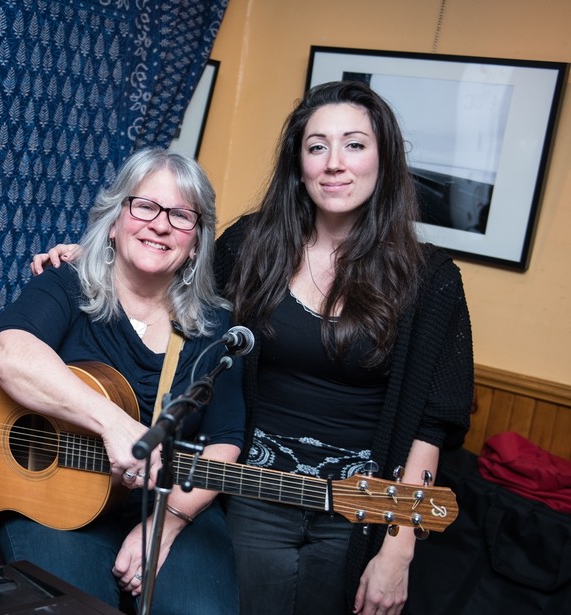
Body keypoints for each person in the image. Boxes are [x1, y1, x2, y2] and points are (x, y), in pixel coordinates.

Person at [34, 81, 474, 615]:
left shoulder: (431, 280)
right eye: (317, 147)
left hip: (360, 508)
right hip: (249, 493)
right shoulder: (250, 245)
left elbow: (432, 426)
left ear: (384, 159)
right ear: (298, 163)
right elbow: (176, 281)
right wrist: (93, 258)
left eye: (355, 145)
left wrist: (398, 550)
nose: (334, 163)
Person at [0, 148, 244, 614]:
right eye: (145, 206)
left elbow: (224, 442)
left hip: (170, 502)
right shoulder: (66, 283)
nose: (160, 225)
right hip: (55, 498)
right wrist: (115, 425)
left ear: (196, 242)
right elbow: (8, 352)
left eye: (181, 216)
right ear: (114, 219)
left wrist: (163, 528)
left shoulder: (216, 327)